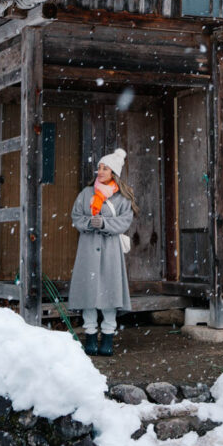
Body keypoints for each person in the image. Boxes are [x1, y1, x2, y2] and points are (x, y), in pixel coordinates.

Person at [68, 147, 139, 356]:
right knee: (89, 293)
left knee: (110, 294)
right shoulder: (85, 194)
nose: (100, 171)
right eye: (99, 167)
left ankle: (108, 335)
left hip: (110, 251)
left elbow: (125, 221)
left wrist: (105, 223)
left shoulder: (122, 198)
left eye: (105, 168)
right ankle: (90, 335)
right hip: (88, 248)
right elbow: (76, 217)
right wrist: (91, 222)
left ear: (113, 172)